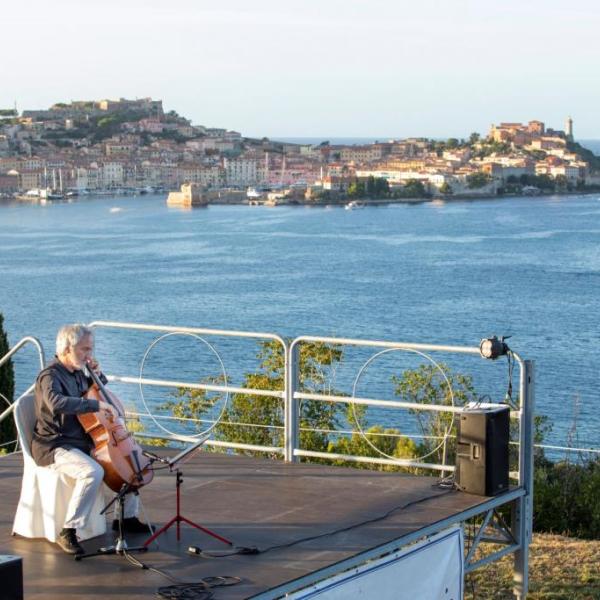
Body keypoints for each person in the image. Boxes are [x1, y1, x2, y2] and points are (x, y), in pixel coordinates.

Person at [32, 323, 150, 555]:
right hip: (55, 444)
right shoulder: (50, 376)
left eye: (91, 349)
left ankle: (126, 518)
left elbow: (96, 393)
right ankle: (68, 531)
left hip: (82, 440)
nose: (89, 355)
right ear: (67, 348)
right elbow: (58, 402)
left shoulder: (78, 373)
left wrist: (98, 375)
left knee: (127, 462)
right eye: (84, 350)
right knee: (92, 471)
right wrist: (97, 404)